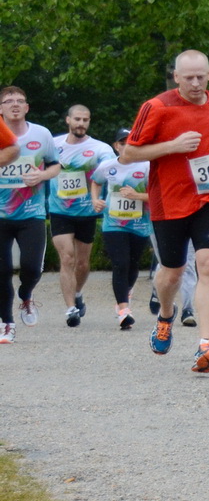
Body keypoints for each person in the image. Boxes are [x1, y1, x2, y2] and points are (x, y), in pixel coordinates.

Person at [121, 51, 209, 372]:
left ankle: (206, 345)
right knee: (172, 271)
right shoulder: (157, 107)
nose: (196, 83)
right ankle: (166, 315)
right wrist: (172, 146)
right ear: (176, 77)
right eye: (188, 77)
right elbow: (128, 154)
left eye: (201, 76)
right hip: (170, 200)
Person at [0, 87, 61, 343]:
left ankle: (26, 296)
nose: (14, 104)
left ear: (27, 107)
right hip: (0, 215)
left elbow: (55, 165)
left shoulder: (41, 134)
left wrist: (42, 175)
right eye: (8, 101)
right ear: (0, 109)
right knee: (2, 271)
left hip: (31, 213)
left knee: (32, 268)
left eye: (20, 101)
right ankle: (7, 323)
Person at [50, 105, 116, 326]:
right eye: (77, 119)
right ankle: (71, 309)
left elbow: (110, 169)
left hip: (87, 211)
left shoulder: (100, 148)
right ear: (68, 120)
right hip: (60, 211)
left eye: (85, 120)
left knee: (82, 263)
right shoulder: (53, 145)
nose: (81, 124)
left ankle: (77, 292)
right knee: (67, 257)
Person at [94, 131, 153, 330]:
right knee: (120, 263)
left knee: (133, 264)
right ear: (116, 146)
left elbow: (158, 194)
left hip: (139, 224)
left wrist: (137, 196)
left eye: (132, 142)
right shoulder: (107, 166)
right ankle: (123, 310)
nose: (127, 146)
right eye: (123, 143)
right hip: (114, 223)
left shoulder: (146, 166)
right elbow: (95, 181)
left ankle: (125, 293)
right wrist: (95, 199)